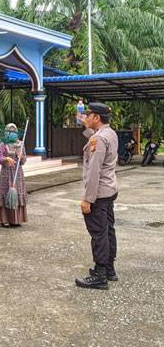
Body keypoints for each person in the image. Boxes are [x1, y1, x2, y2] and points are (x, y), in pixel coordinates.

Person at [75, 102, 119, 290]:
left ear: (96, 118)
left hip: (98, 193)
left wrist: (87, 199)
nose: (86, 118)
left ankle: (100, 275)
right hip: (109, 190)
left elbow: (94, 171)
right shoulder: (110, 133)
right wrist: (86, 128)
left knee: (99, 233)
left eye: (88, 115)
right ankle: (109, 269)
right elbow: (93, 138)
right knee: (108, 229)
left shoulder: (98, 140)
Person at [0, 123, 28, 228]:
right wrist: (6, 158)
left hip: (18, 173)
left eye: (14, 132)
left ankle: (16, 220)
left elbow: (24, 161)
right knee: (6, 193)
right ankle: (5, 220)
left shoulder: (21, 144)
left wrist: (21, 157)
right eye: (10, 131)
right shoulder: (3, 144)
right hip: (6, 173)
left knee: (17, 194)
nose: (12, 134)